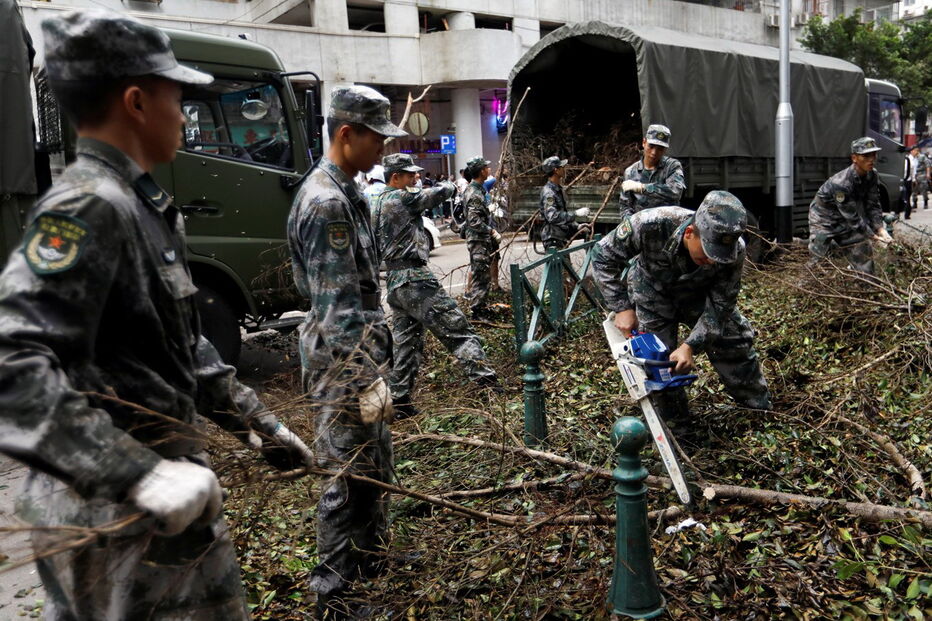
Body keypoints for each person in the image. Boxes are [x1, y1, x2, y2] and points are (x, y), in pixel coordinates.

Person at [0, 9, 314, 619]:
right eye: (179, 95)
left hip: (156, 510)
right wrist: (133, 473)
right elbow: (12, 363)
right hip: (115, 521)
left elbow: (180, 345)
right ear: (138, 102)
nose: (185, 112)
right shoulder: (88, 208)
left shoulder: (140, 204)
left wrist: (258, 424)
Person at [287, 84, 403, 616]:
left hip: (361, 358)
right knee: (345, 478)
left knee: (374, 465)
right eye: (377, 138)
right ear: (346, 133)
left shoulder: (348, 189)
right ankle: (332, 597)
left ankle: (372, 562)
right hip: (343, 366)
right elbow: (336, 311)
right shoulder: (327, 202)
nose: (384, 149)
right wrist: (364, 380)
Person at [593, 192, 772, 414]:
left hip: (699, 296)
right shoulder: (651, 223)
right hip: (652, 294)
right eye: (708, 253)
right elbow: (602, 256)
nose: (713, 260)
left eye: (719, 255)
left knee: (735, 340)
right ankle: (677, 424)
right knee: (658, 361)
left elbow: (721, 306)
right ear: (690, 233)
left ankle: (757, 410)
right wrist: (622, 307)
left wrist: (690, 346)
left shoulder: (736, 251)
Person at [371, 153, 500, 417]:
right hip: (416, 280)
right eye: (410, 174)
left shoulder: (376, 201)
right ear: (395, 177)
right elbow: (433, 195)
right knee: (458, 329)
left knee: (407, 343)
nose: (416, 177)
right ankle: (489, 385)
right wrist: (455, 186)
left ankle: (400, 400)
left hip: (396, 283)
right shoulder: (401, 198)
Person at [808, 137, 893, 275]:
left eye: (874, 154)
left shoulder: (872, 175)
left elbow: (873, 204)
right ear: (854, 158)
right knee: (817, 260)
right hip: (823, 219)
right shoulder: (841, 184)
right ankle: (805, 288)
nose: (871, 159)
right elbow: (853, 218)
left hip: (845, 216)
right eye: (866, 156)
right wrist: (874, 237)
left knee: (862, 249)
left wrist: (880, 229)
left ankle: (868, 287)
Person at [618, 124, 686, 220]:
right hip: (641, 227)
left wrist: (642, 188)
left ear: (665, 149)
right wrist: (631, 226)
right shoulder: (630, 172)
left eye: (660, 148)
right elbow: (625, 207)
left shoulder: (672, 166)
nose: (654, 152)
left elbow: (675, 192)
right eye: (651, 146)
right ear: (644, 142)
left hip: (666, 225)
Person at [462, 155, 500, 317]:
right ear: (481, 171)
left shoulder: (477, 190)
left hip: (480, 240)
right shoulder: (475, 193)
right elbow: (474, 221)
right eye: (486, 167)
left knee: (483, 274)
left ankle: (481, 308)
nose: (489, 170)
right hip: (478, 240)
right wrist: (491, 231)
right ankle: (477, 311)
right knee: (481, 276)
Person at [538, 155, 591, 250]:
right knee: (561, 264)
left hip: (560, 236)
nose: (564, 169)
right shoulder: (549, 193)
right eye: (561, 167)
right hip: (553, 239)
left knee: (586, 231)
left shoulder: (557, 189)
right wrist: (575, 214)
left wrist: (576, 226)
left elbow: (562, 215)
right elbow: (553, 217)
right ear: (556, 170)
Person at [909, 145, 929, 211]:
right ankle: (915, 203)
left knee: (924, 190)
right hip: (915, 175)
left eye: (913, 151)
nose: (912, 152)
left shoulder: (922, 157)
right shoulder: (912, 158)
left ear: (916, 150)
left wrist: (928, 174)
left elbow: (928, 165)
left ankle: (925, 203)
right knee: (914, 190)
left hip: (922, 175)